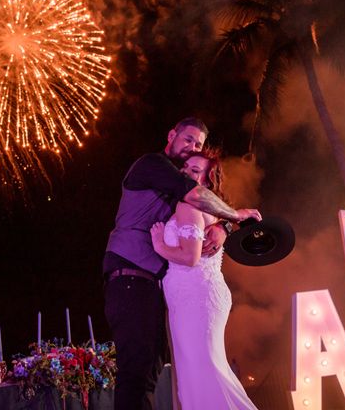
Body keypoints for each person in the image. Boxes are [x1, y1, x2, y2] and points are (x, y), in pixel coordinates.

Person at [103, 117, 260, 410]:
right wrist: (234, 217)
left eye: (198, 144)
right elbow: (197, 198)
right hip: (130, 276)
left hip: (158, 287)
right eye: (188, 139)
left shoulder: (182, 194)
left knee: (153, 367)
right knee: (139, 369)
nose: (192, 148)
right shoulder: (153, 165)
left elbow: (200, 216)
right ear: (171, 134)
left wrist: (223, 228)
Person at [150, 148, 259, 410]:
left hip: (194, 300)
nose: (186, 172)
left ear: (206, 181)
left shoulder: (187, 204)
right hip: (199, 298)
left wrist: (159, 245)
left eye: (195, 170)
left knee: (203, 375)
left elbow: (190, 257)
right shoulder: (208, 209)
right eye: (185, 167)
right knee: (204, 372)